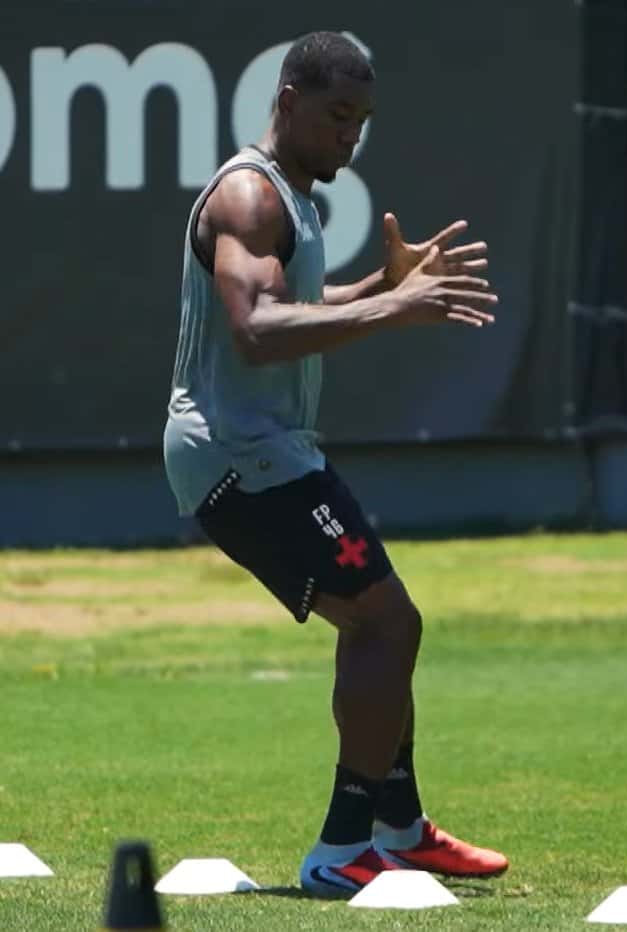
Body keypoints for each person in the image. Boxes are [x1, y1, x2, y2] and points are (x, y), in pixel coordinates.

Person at [163, 30, 508, 897]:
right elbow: (257, 328)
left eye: (363, 121)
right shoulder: (249, 196)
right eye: (337, 115)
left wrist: (378, 287)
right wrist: (397, 310)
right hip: (241, 458)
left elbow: (293, 307)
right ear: (288, 102)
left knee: (388, 624)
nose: (351, 136)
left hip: (270, 455)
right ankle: (343, 846)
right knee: (387, 624)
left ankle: (400, 826)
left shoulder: (294, 200)